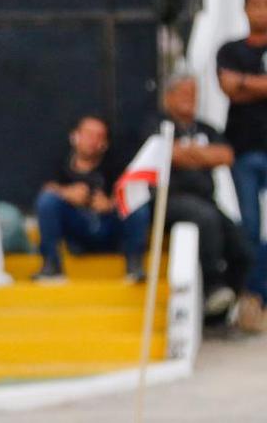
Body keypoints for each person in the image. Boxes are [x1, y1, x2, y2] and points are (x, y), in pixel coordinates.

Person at [134, 74, 252, 321]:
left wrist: (185, 152)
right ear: (168, 97)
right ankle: (212, 284)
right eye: (184, 93)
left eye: (194, 94)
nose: (191, 99)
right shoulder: (155, 123)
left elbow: (225, 155)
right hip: (168, 201)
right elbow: (165, 153)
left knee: (243, 247)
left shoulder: (205, 127)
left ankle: (218, 311)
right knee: (205, 217)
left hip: (206, 199)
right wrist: (200, 154)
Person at [33, 115, 150, 283]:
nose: (93, 140)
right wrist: (67, 193)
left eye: (99, 136)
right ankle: (51, 265)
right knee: (48, 201)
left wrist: (110, 204)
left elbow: (137, 190)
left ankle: (135, 265)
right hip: (78, 233)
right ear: (75, 136)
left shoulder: (116, 163)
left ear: (105, 143)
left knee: (137, 206)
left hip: (110, 230)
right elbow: (44, 188)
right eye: (88, 134)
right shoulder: (58, 161)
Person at [217, 0, 267, 332]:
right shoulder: (230, 49)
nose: (260, 9)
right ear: (244, 8)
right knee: (249, 226)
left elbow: (239, 86)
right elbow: (228, 86)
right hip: (245, 150)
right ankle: (253, 296)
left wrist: (247, 85)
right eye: (255, 3)